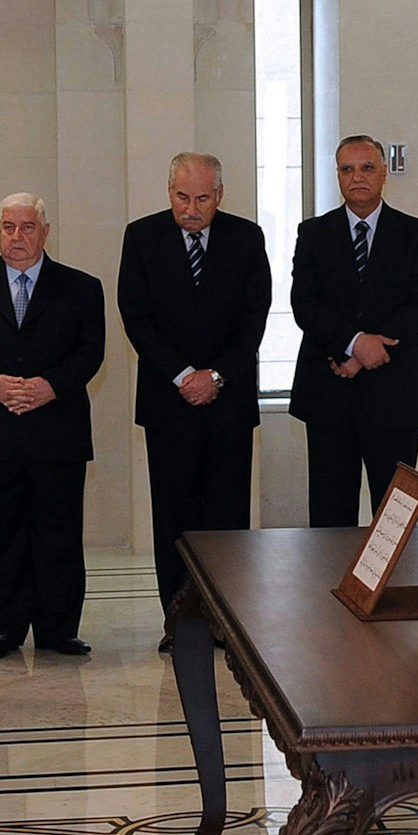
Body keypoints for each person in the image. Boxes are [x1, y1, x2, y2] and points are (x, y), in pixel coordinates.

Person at [0, 193, 105, 661]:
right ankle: (2, 628)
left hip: (57, 432)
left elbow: (90, 351)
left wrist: (51, 386)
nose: (18, 236)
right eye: (9, 227)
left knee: (58, 533)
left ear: (45, 231)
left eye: (28, 227)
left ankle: (58, 629)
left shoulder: (81, 287)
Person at [117, 152, 270, 640]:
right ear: (169, 192)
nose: (192, 208)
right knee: (174, 516)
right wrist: (184, 375)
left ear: (219, 196)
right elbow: (135, 316)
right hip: (169, 402)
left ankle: (227, 621)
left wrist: (216, 376)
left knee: (226, 516)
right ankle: (180, 620)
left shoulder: (247, 239)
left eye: (202, 198)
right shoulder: (141, 237)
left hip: (228, 402)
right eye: (183, 197)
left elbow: (255, 318)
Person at [286, 135, 418, 527]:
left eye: (367, 168)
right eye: (347, 169)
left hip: (396, 395)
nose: (357, 177)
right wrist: (354, 345)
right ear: (337, 175)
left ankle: (393, 591)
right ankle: (328, 589)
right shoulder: (313, 234)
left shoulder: (415, 234)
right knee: (329, 514)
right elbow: (305, 305)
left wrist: (370, 351)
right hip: (328, 393)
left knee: (393, 518)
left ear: (384, 173)